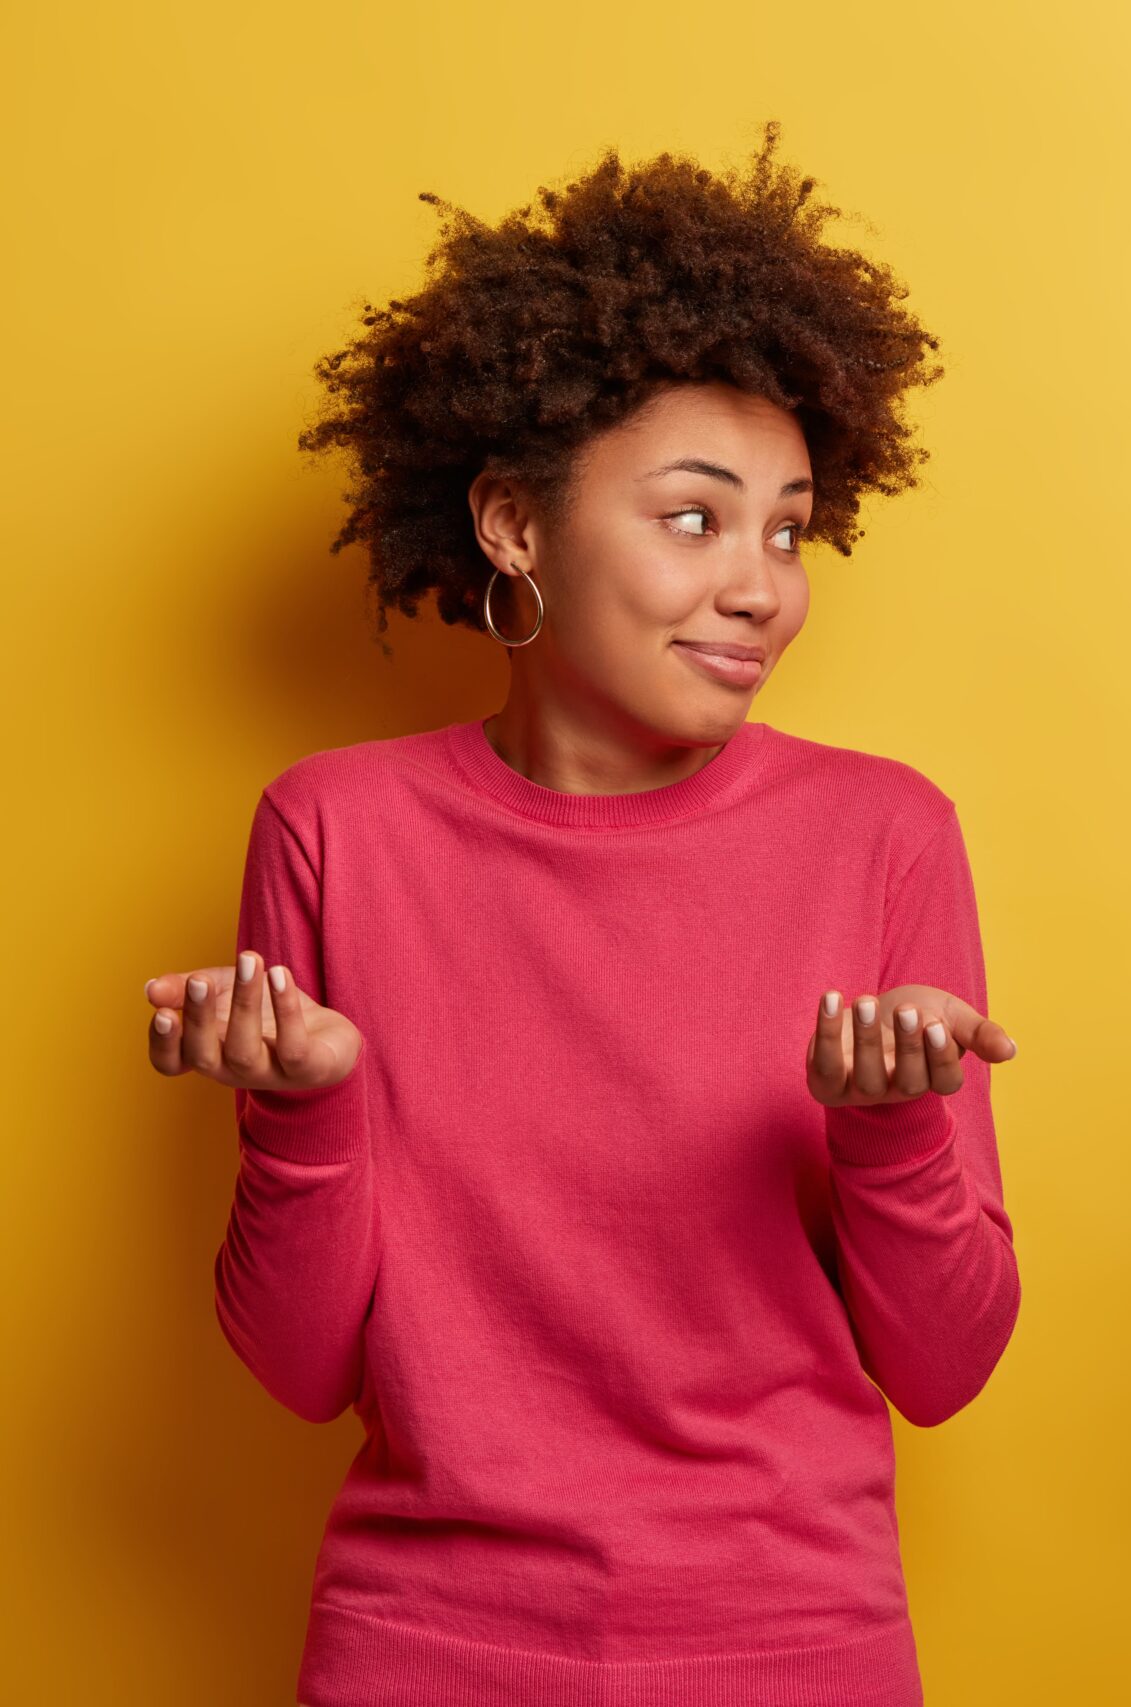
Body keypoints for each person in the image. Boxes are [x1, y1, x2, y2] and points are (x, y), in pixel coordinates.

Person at [140, 124, 1021, 1706]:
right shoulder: (336, 829)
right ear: (515, 525)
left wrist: (894, 1136)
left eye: (787, 528)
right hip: (427, 1649)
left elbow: (946, 1373)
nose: (761, 584)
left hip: (793, 1647)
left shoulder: (885, 836)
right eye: (695, 517)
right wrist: (304, 1112)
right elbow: (296, 1371)